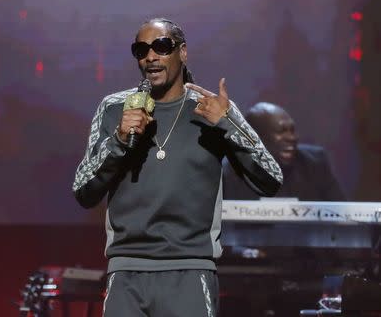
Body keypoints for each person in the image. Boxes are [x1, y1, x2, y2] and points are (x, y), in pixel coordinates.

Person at [72, 18, 283, 317]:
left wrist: (228, 124)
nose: (151, 56)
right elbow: (83, 189)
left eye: (161, 46)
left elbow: (271, 179)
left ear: (182, 52)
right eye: (141, 49)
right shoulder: (114, 108)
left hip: (190, 270)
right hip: (126, 271)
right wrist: (119, 140)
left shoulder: (212, 109)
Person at [223, 102, 345, 201]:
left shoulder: (314, 164)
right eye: (281, 131)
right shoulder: (227, 174)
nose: (292, 138)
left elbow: (344, 221)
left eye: (292, 130)